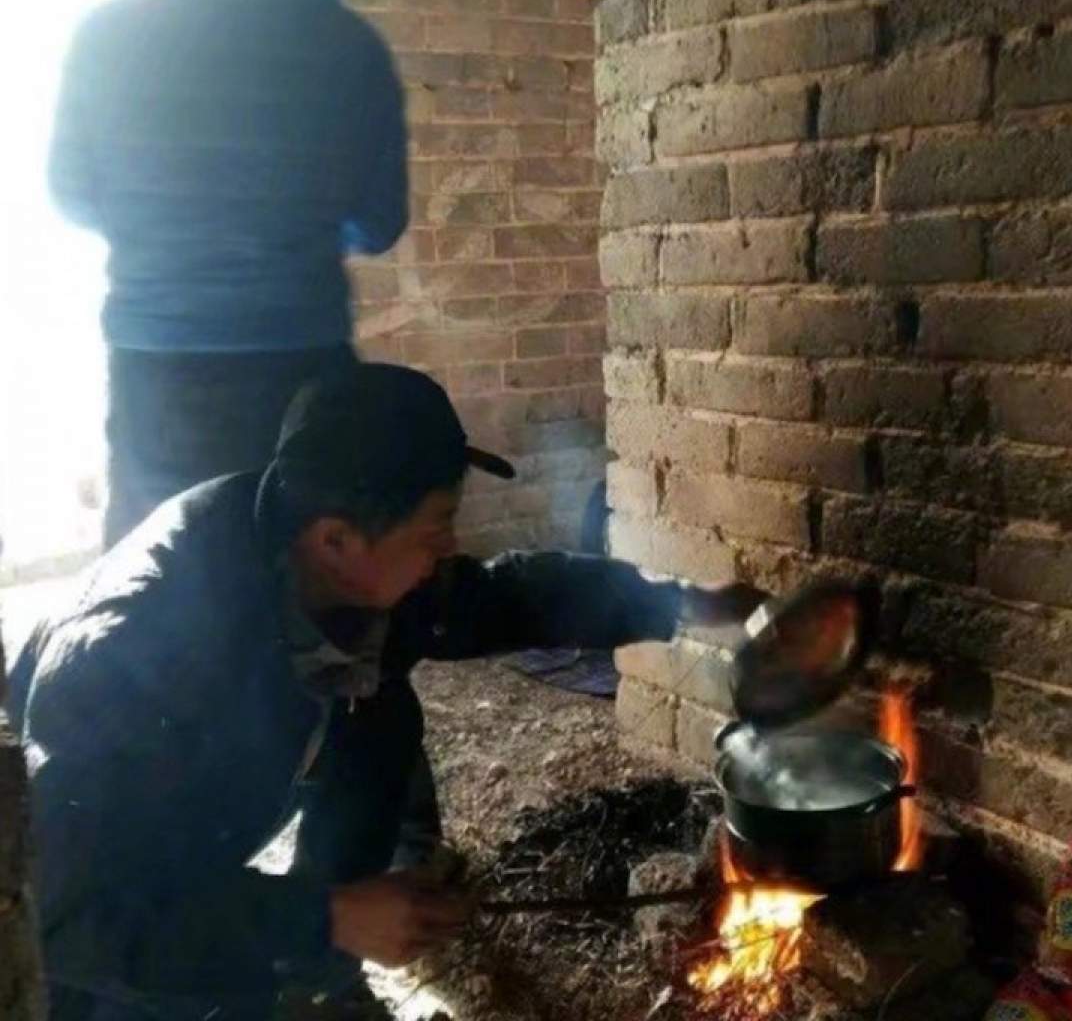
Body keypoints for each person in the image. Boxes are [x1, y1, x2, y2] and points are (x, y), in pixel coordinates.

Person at [6, 363, 755, 1021]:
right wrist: (326, 918)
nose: (450, 549)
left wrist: (684, 603)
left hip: (206, 816)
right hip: (113, 902)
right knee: (167, 982)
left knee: (374, 711)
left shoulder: (331, 558)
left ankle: (323, 972)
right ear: (337, 540)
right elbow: (71, 915)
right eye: (436, 528)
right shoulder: (132, 664)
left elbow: (511, 596)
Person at [47, 0, 407, 550]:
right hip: (302, 354)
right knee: (307, 568)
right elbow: (379, 221)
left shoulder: (108, 36)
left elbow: (71, 191)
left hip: (159, 356)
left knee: (158, 571)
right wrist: (296, 229)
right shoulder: (349, 48)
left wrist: (162, 234)